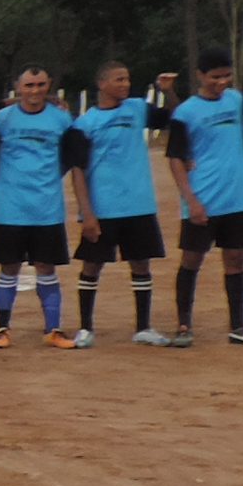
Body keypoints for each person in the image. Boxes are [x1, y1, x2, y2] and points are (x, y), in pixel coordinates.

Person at [67, 64, 176, 347]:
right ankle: (85, 328)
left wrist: (168, 92)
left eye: (127, 78)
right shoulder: (84, 124)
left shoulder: (137, 108)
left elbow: (174, 117)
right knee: (92, 265)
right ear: (102, 84)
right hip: (103, 207)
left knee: (141, 263)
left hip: (138, 204)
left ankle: (143, 327)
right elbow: (77, 171)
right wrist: (87, 212)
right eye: (119, 79)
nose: (126, 84)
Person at [0, 67, 75, 347]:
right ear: (18, 87)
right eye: (29, 85)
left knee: (46, 267)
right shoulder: (0, 120)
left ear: (48, 85)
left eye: (41, 84)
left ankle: (53, 329)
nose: (35, 90)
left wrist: (48, 181)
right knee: (9, 267)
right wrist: (3, 185)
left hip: (47, 208)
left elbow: (68, 159)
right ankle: (2, 329)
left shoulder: (62, 119)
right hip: (10, 209)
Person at [165, 54, 243, 348]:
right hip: (203, 197)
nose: (222, 81)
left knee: (236, 260)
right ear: (200, 75)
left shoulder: (235, 100)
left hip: (236, 199)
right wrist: (191, 200)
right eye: (215, 76)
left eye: (227, 75)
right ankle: (183, 325)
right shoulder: (185, 112)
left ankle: (238, 325)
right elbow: (175, 158)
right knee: (192, 259)